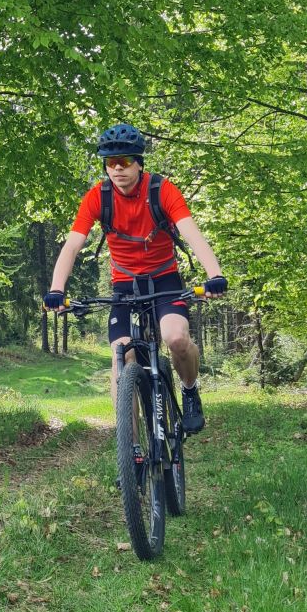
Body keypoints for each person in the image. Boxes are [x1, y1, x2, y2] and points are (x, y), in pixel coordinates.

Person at [43, 122, 227, 433]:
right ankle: (131, 446)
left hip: (165, 280)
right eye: (111, 162)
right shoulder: (98, 197)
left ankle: (190, 390)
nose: (118, 168)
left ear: (139, 163)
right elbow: (73, 244)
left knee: (176, 338)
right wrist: (56, 289)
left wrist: (215, 274)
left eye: (125, 161)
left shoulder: (161, 190)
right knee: (122, 356)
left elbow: (192, 234)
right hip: (125, 286)